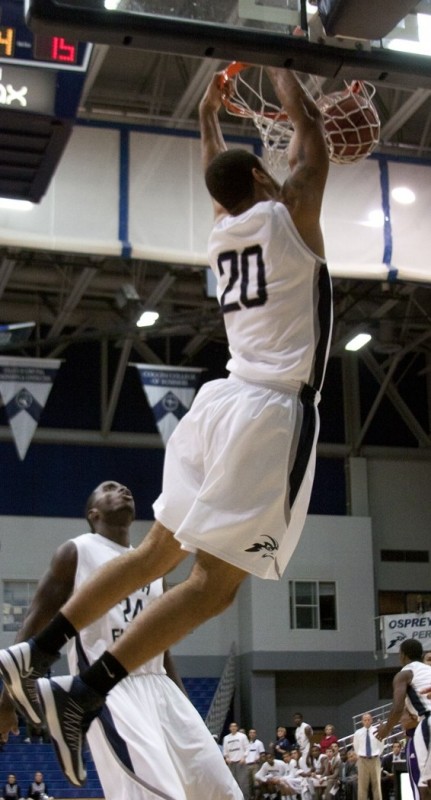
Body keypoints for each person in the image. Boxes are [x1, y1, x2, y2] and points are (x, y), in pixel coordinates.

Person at [0, 65, 331, 789]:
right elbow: (311, 148)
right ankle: (79, 695)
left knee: (156, 554)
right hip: (268, 409)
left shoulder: (223, 232)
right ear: (266, 185)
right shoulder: (288, 217)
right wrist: (286, 78)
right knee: (213, 586)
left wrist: (212, 117)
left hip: (219, 405)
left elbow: (234, 172)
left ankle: (36, 654)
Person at [0, 481, 243, 800]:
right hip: (108, 691)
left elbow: (161, 643)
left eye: (126, 488)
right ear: (93, 512)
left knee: (221, 791)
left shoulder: (154, 567)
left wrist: (185, 707)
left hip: (161, 687)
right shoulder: (78, 551)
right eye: (109, 488)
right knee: (154, 794)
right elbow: (35, 621)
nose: (123, 490)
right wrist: (7, 701)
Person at [376, 638, 431, 800]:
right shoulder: (428, 670)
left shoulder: (404, 674)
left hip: (427, 721)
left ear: (403, 655)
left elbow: (397, 708)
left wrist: (386, 729)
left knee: (424, 783)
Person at [353, 713, 384, 800]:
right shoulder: (358, 733)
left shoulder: (376, 731)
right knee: (362, 786)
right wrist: (360, 756)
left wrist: (377, 754)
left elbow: (381, 744)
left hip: (374, 759)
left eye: (368, 719)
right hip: (362, 760)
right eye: (365, 720)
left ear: (371, 720)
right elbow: (356, 746)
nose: (367, 721)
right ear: (362, 721)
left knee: (377, 785)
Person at [223, 722, 249, 798]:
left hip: (240, 762)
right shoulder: (226, 738)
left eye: (235, 726)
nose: (233, 728)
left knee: (243, 782)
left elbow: (247, 748)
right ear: (229, 728)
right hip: (231, 763)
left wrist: (244, 757)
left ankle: (244, 798)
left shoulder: (242, 736)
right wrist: (227, 758)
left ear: (237, 728)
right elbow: (225, 750)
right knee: (232, 782)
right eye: (231, 726)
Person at [247, 729, 266, 800]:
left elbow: (262, 754)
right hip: (247, 765)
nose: (252, 734)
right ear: (248, 734)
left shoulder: (259, 743)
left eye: (253, 733)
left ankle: (257, 797)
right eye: (250, 733)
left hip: (255, 765)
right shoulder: (246, 743)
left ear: (256, 734)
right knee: (249, 783)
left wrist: (259, 759)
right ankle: (251, 797)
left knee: (256, 782)